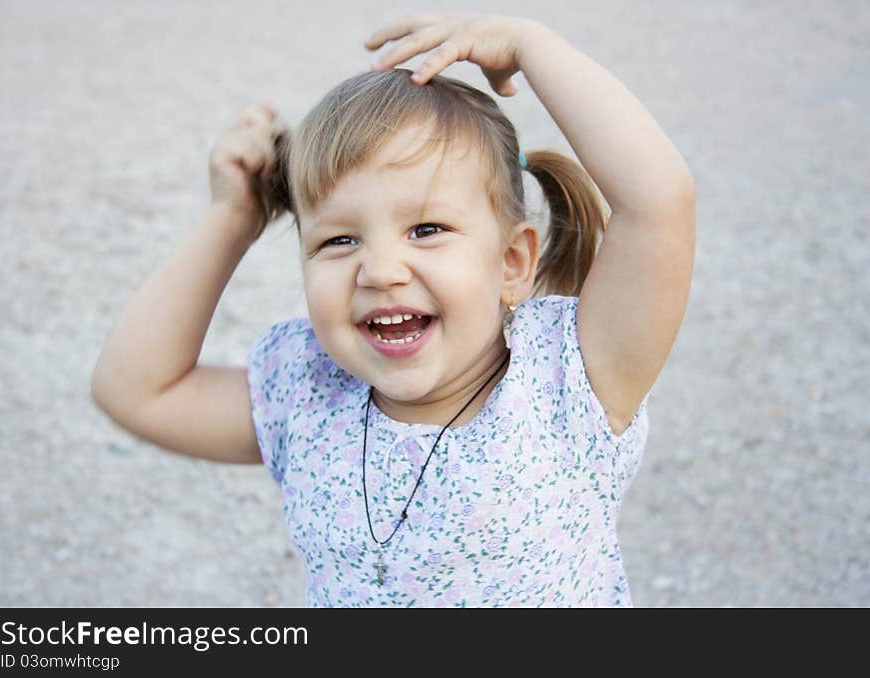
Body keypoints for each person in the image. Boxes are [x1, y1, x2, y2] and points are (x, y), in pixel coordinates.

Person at [91, 12, 695, 607]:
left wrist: (529, 45)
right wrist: (233, 217)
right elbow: (138, 391)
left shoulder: (572, 378)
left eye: (426, 229)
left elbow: (658, 202)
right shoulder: (309, 392)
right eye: (338, 240)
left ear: (511, 263)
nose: (379, 271)